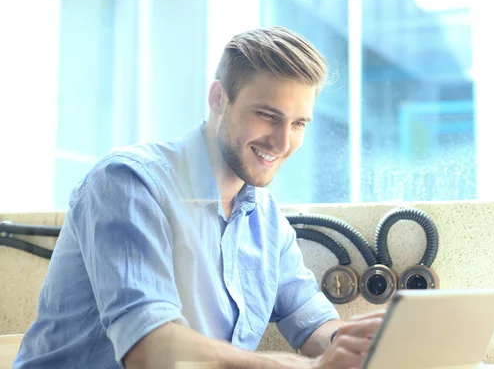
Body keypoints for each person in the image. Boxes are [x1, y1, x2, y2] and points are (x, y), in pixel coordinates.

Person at [14, 26, 384, 369]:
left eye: (299, 123)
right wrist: (306, 367)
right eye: (267, 115)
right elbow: (149, 349)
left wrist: (354, 343)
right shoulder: (129, 183)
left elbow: (310, 319)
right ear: (218, 99)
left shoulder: (265, 217)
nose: (283, 142)